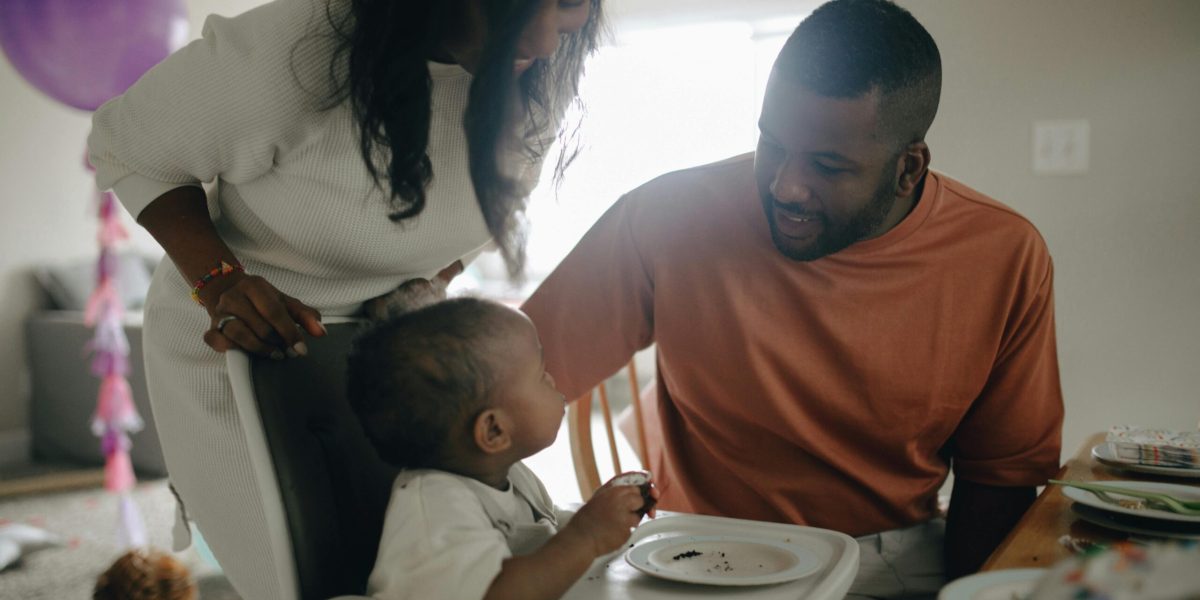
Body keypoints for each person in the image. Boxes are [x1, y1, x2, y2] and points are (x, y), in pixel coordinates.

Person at [521, 0, 1064, 596]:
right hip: (694, 550)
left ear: (908, 169)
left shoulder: (1002, 254)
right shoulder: (667, 215)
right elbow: (504, 383)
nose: (786, 186)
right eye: (772, 144)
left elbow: (1000, 480)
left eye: (828, 166)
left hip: (887, 557)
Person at [86, 0, 604, 597]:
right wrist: (221, 281)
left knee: (448, 563)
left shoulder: (544, 66)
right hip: (245, 340)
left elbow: (490, 207)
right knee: (310, 574)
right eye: (516, 12)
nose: (544, 43)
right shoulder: (295, 48)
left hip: (401, 350)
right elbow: (128, 146)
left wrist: (430, 285)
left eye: (568, 5)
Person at [346, 298, 655, 600]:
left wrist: (603, 514)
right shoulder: (435, 507)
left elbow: (546, 538)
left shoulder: (511, 475)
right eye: (539, 374)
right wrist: (586, 536)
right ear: (494, 431)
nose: (552, 378)